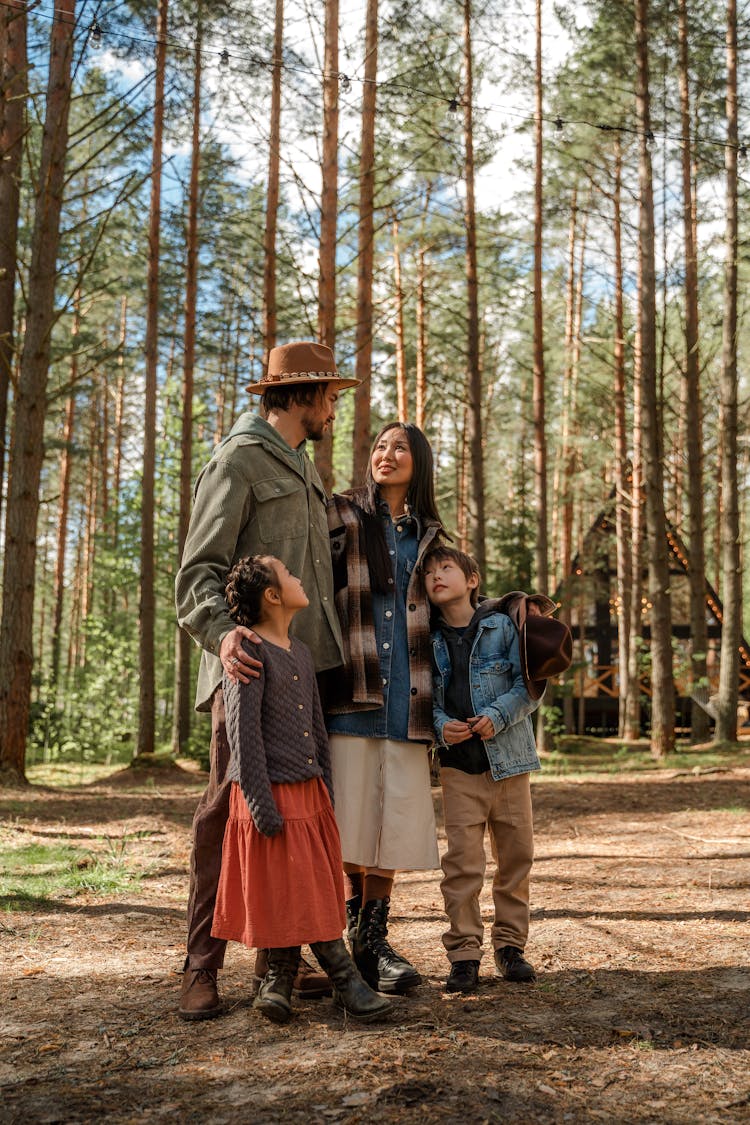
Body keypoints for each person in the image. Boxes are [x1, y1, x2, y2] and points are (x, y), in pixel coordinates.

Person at [175, 341, 358, 1020]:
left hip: (305, 677)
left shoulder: (303, 468)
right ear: (303, 398)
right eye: (330, 396)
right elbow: (197, 573)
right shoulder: (239, 458)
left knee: (292, 816)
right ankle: (200, 965)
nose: (335, 407)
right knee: (228, 810)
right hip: (247, 671)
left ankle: (274, 963)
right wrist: (226, 635)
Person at [210, 555, 392, 1025]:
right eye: (289, 575)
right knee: (288, 886)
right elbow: (242, 737)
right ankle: (343, 977)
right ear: (273, 596)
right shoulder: (249, 653)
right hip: (268, 795)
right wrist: (260, 804)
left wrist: (325, 788)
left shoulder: (302, 651)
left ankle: (279, 978)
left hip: (309, 795)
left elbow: (316, 724)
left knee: (307, 884)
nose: (297, 578)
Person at [325, 422, 445, 994]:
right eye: (379, 446)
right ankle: (354, 935)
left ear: (418, 462)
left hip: (410, 695)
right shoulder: (342, 514)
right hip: (353, 687)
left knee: (393, 820)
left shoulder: (431, 536)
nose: (386, 454)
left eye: (399, 447)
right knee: (351, 819)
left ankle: (374, 940)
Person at [424, 545, 570, 994]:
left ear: (472, 580)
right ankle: (465, 953)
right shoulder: (425, 638)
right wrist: (440, 725)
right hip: (457, 767)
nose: (436, 576)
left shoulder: (502, 627)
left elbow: (530, 686)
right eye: (428, 572)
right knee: (463, 863)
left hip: (508, 763)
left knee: (516, 857)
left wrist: (497, 716)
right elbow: (422, 697)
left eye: (446, 568)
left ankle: (510, 947)